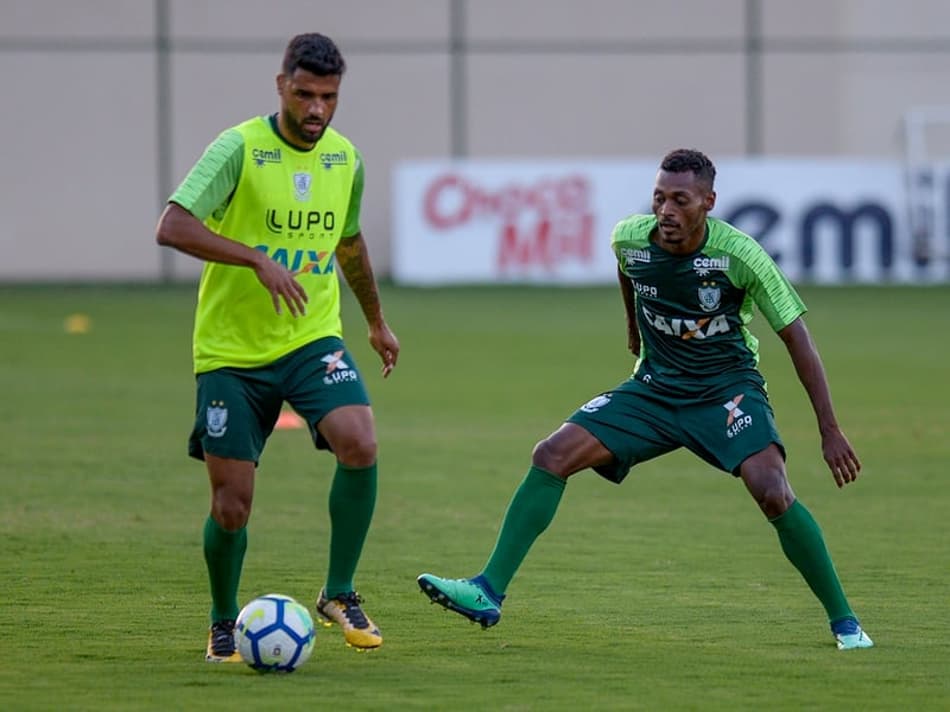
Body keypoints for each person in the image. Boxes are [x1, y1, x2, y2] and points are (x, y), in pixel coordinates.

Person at [418, 148, 873, 651]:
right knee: (551, 454)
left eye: (680, 200)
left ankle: (846, 623)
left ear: (708, 202)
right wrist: (633, 328)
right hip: (655, 390)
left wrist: (830, 430)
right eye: (659, 198)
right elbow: (627, 271)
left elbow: (797, 339)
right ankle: (487, 590)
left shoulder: (739, 256)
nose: (666, 211)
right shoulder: (630, 239)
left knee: (771, 490)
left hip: (725, 392)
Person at [155, 32, 399, 660]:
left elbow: (348, 242)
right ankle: (222, 619)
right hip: (232, 353)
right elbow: (172, 226)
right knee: (231, 505)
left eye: (329, 97)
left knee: (360, 441)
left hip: (311, 338)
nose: (317, 109)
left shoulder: (345, 159)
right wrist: (256, 259)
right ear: (281, 85)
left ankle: (339, 592)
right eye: (305, 94)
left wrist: (375, 321)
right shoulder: (239, 148)